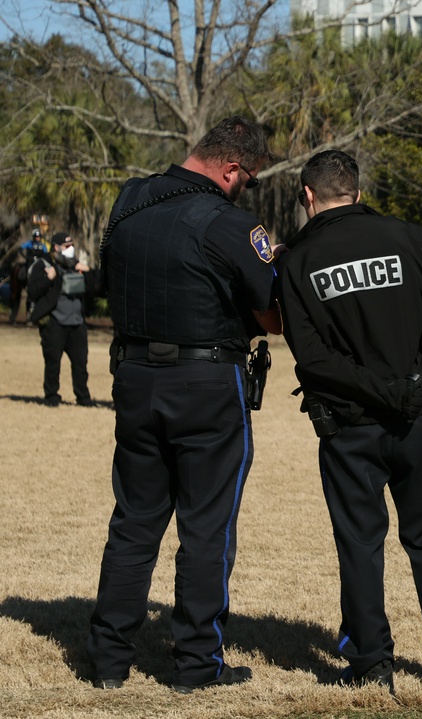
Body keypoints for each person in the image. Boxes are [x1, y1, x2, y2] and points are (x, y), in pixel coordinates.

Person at [88, 116, 279, 692]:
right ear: (230, 169)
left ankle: (107, 662)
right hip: (206, 385)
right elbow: (274, 312)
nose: (248, 188)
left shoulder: (130, 201)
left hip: (134, 377)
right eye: (250, 178)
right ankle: (197, 666)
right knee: (207, 528)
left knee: (135, 521)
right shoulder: (230, 223)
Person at [276, 150, 422, 694]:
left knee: (360, 544)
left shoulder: (297, 261)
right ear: (358, 193)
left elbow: (312, 357)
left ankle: (370, 661)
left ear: (308, 196)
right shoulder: (412, 238)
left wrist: (384, 389)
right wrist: (420, 382)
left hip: (349, 426)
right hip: (420, 419)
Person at [25, 231, 94, 406]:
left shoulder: (77, 265)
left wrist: (88, 273)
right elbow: (32, 292)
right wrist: (48, 278)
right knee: (53, 361)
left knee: (80, 362)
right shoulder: (44, 265)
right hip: (55, 321)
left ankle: (83, 397)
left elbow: (98, 287)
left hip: (77, 322)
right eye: (67, 246)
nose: (71, 249)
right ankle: (51, 396)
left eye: (72, 245)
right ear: (56, 248)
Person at [9, 228, 48, 323]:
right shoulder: (29, 244)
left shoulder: (43, 246)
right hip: (30, 263)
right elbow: (20, 248)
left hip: (39, 265)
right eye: (36, 237)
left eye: (39, 237)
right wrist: (26, 257)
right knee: (25, 272)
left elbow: (46, 253)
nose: (38, 238)